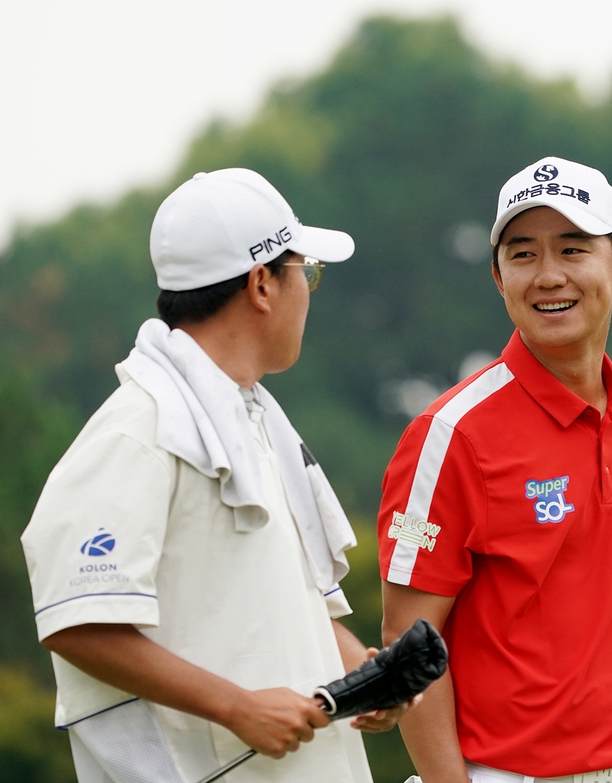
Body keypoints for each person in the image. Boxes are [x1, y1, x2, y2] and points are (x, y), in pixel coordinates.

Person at [21, 168, 408, 783]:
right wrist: (237, 707)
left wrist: (360, 671)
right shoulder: (139, 430)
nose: (309, 291)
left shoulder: (249, 423)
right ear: (262, 284)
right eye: (305, 272)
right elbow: (78, 620)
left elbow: (270, 601)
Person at [377, 157, 612, 783]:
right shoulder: (451, 435)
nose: (549, 276)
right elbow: (406, 638)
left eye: (573, 249)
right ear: (498, 277)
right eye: (523, 255)